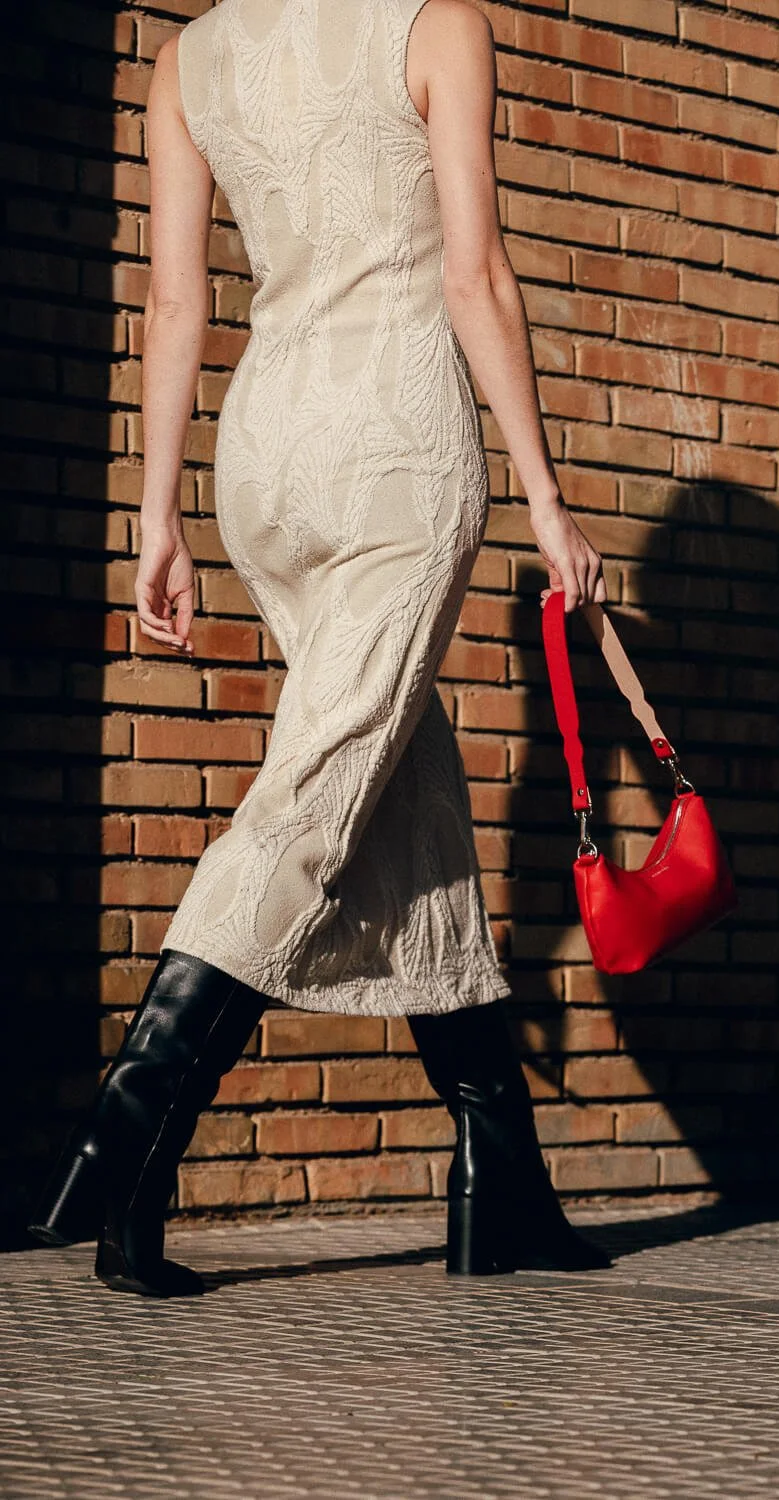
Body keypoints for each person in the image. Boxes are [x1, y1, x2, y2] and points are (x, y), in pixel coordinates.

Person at [29, 0, 611, 1296]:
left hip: (266, 456)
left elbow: (177, 298)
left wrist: (156, 518)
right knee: (309, 805)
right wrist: (550, 501)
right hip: (395, 444)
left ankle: (495, 1180)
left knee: (405, 784)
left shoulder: (190, 57)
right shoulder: (437, 23)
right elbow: (476, 276)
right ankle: (128, 1129)